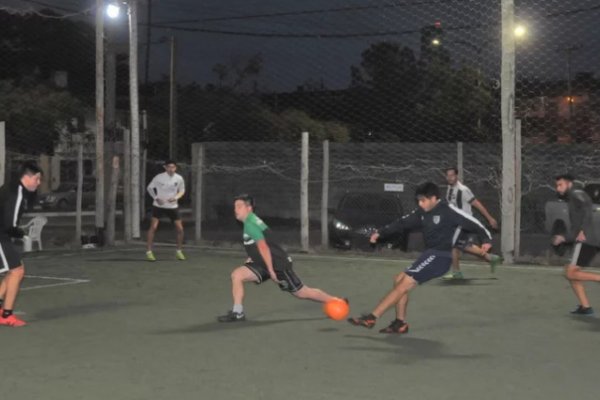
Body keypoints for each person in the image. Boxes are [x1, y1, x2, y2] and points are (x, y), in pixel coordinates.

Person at [348, 182, 492, 334]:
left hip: (441, 257)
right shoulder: (422, 213)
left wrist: (487, 240)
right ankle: (400, 323)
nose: (420, 204)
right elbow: (402, 223)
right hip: (430, 254)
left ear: (434, 198)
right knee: (399, 279)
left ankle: (372, 317)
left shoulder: (448, 210)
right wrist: (380, 233)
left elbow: (474, 223)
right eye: (418, 200)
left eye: (423, 200)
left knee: (404, 283)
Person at [218, 194, 345, 322]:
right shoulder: (252, 220)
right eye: (235, 207)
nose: (236, 210)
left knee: (301, 292)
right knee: (237, 275)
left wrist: (271, 270)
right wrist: (253, 256)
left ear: (249, 208)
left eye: (239, 206)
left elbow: (264, 247)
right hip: (263, 262)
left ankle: (335, 300)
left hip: (277, 265)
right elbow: (265, 241)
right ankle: (238, 312)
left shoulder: (251, 224)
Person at [0, 162, 43, 327]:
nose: (38, 183)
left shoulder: (14, 188)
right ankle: (6, 315)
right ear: (26, 177)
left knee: (14, 270)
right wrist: (22, 235)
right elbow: (10, 224)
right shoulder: (16, 192)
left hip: (2, 234)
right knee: (17, 271)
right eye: (37, 179)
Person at [551, 174, 600, 315]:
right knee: (570, 271)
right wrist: (564, 238)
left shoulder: (576, 194)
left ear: (569, 184)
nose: (558, 188)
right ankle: (585, 307)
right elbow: (576, 225)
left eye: (560, 185)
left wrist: (583, 231)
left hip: (586, 240)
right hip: (586, 239)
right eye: (557, 185)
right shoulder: (573, 196)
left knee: (571, 272)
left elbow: (587, 207)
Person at [443, 167, 502, 279]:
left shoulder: (463, 190)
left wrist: (490, 218)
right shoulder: (449, 188)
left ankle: (456, 273)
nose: (450, 178)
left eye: (452, 175)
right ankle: (491, 258)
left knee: (453, 244)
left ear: (457, 176)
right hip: (455, 223)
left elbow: (477, 204)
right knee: (462, 245)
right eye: (448, 175)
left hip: (464, 223)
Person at [145, 160, 186, 261]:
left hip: (172, 207)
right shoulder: (159, 177)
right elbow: (149, 188)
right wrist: (156, 198)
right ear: (165, 167)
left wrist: (175, 198)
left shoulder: (179, 178)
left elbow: (182, 190)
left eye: (173, 167)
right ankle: (149, 252)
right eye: (169, 167)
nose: (171, 169)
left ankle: (179, 251)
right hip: (159, 206)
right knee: (153, 227)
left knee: (180, 229)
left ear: (175, 168)